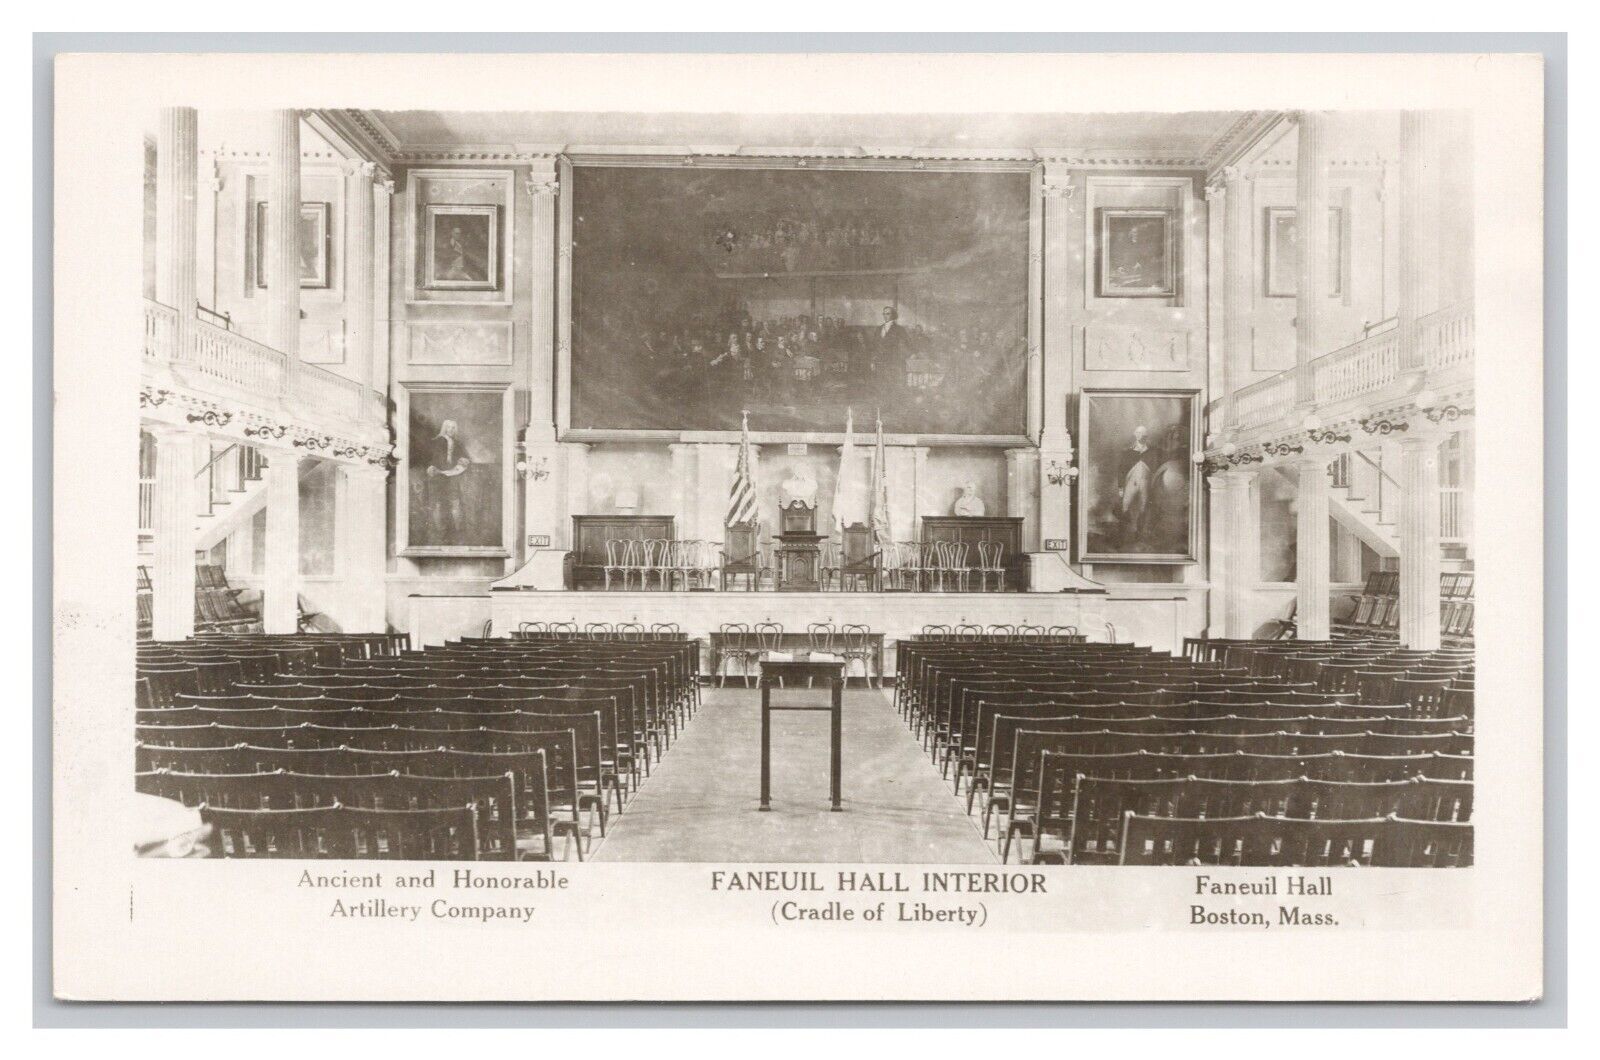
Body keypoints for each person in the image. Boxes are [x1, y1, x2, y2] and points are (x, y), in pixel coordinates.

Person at [425, 418, 472, 542]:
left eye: (453, 428)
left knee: (455, 501)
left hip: (453, 475)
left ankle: (458, 531)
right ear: (444, 428)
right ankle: (440, 531)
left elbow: (465, 457)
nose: (450, 430)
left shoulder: (458, 443)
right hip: (438, 475)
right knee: (438, 503)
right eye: (448, 427)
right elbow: (431, 459)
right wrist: (433, 468)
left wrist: (463, 461)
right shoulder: (437, 441)